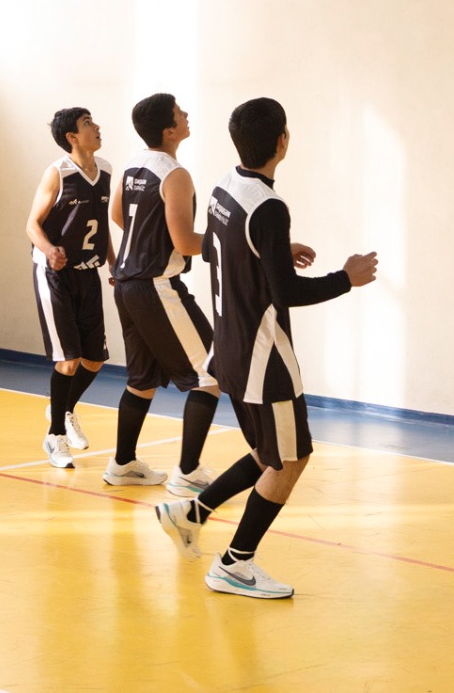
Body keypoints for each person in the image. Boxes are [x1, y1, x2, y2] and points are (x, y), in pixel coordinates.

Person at [153, 97, 377, 599]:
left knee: (266, 451)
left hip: (227, 350)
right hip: (263, 360)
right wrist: (347, 278)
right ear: (283, 141)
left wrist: (276, 252)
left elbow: (219, 247)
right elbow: (288, 295)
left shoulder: (222, 188)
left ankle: (192, 511)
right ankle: (235, 563)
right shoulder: (270, 206)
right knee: (289, 459)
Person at [106, 93, 220, 495]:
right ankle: (187, 471)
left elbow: (118, 216)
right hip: (156, 287)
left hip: (126, 284)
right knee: (211, 373)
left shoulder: (133, 165)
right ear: (169, 130)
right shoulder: (175, 174)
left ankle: (122, 463)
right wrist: (233, 245)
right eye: (180, 112)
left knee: (141, 380)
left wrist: (145, 242)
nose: (187, 115)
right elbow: (187, 242)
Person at [26, 107, 113, 468]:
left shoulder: (106, 171)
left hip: (89, 273)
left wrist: (114, 262)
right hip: (56, 275)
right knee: (68, 360)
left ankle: (63, 409)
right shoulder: (57, 173)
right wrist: (49, 251)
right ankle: (55, 435)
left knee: (93, 360)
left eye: (94, 121)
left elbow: (102, 225)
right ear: (72, 138)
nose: (96, 127)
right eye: (87, 124)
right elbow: (32, 224)